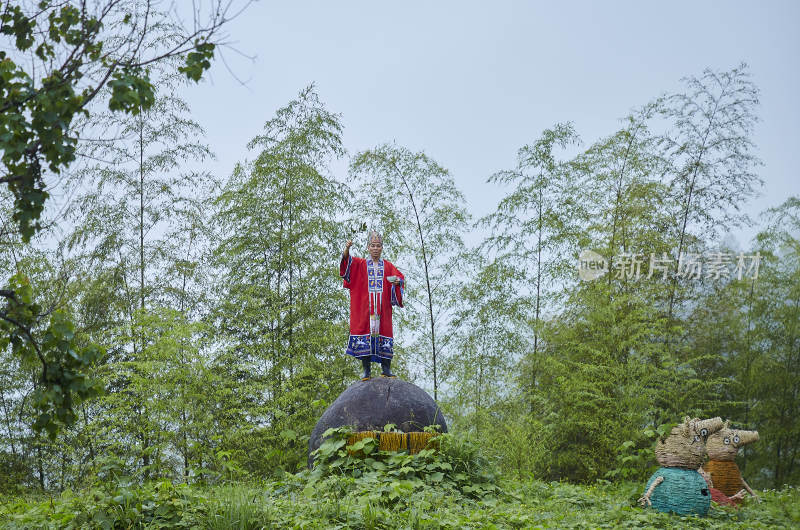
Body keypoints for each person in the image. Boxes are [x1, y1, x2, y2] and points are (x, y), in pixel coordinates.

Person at [340, 231, 404, 380]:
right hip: (365, 309)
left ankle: (386, 369)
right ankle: (366, 371)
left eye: (378, 246)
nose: (375, 248)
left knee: (384, 335)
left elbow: (400, 278)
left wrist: (397, 282)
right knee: (365, 335)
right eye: (373, 246)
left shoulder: (387, 266)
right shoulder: (360, 264)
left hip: (383, 309)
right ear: (368, 247)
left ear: (382, 248)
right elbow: (346, 264)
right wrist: (347, 248)